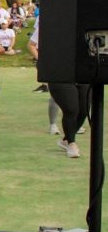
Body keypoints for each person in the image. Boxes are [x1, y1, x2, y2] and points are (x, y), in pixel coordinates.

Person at [27, 18, 86, 157]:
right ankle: (72, 143)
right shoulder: (49, 25)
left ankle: (65, 140)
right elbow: (31, 45)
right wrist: (44, 61)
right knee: (71, 108)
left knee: (83, 110)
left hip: (81, 71)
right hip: (58, 71)